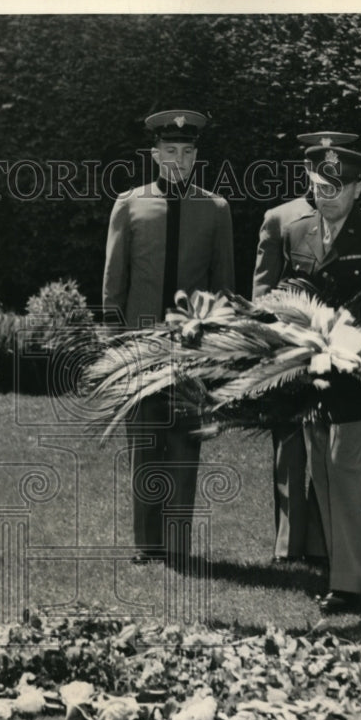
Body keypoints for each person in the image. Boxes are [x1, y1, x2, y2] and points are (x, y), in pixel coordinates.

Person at [103, 109, 235, 566]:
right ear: (156, 155)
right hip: (139, 346)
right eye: (169, 151)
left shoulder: (216, 210)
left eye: (186, 152)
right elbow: (113, 281)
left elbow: (224, 287)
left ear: (195, 157)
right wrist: (113, 341)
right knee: (144, 441)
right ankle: (147, 543)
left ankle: (177, 545)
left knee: (185, 440)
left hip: (192, 346)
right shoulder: (130, 204)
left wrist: (221, 346)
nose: (177, 159)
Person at [281, 145, 361, 612]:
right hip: (311, 375)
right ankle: (337, 570)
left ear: (357, 189)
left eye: (335, 189)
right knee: (322, 472)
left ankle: (349, 584)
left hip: (356, 374)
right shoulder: (297, 233)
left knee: (346, 471)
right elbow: (287, 296)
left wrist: (347, 340)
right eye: (318, 188)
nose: (326, 197)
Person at [252, 131, 358, 567]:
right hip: (291, 348)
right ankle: (289, 541)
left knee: (333, 444)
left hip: (340, 347)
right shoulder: (280, 218)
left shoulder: (355, 220)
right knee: (290, 443)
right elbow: (263, 288)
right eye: (318, 168)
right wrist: (266, 338)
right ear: (306, 170)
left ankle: (322, 539)